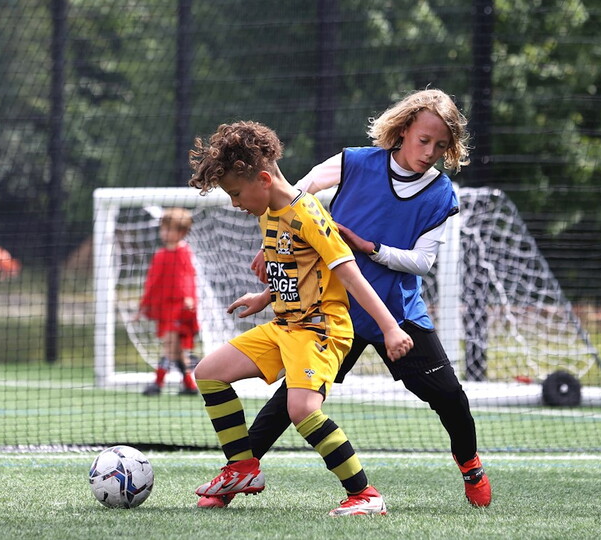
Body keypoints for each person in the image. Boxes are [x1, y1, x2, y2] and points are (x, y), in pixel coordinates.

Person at [199, 89, 492, 509]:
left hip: (396, 313)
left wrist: (369, 247)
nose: (430, 152)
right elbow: (299, 188)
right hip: (337, 311)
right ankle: (237, 476)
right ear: (403, 130)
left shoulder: (441, 194)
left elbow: (422, 262)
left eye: (441, 145)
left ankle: (470, 466)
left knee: (450, 398)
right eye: (423, 140)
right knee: (290, 402)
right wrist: (278, 239)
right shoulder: (356, 161)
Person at [187, 120, 414, 516]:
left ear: (263, 179)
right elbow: (296, 269)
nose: (235, 203)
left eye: (236, 193)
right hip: (285, 327)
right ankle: (242, 469)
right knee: (209, 372)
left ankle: (365, 494)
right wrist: (263, 297)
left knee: (302, 410)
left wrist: (390, 328)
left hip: (321, 329)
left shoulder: (307, 214)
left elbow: (350, 275)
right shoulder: (267, 212)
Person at [139, 207, 200, 396]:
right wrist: (145, 305)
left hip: (180, 308)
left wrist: (188, 297)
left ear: (182, 232)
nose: (165, 233)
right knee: (177, 349)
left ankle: (157, 383)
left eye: (169, 229)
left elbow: (187, 277)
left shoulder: (183, 253)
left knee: (170, 346)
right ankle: (189, 385)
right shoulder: (160, 255)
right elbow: (153, 282)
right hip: (165, 309)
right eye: (163, 229)